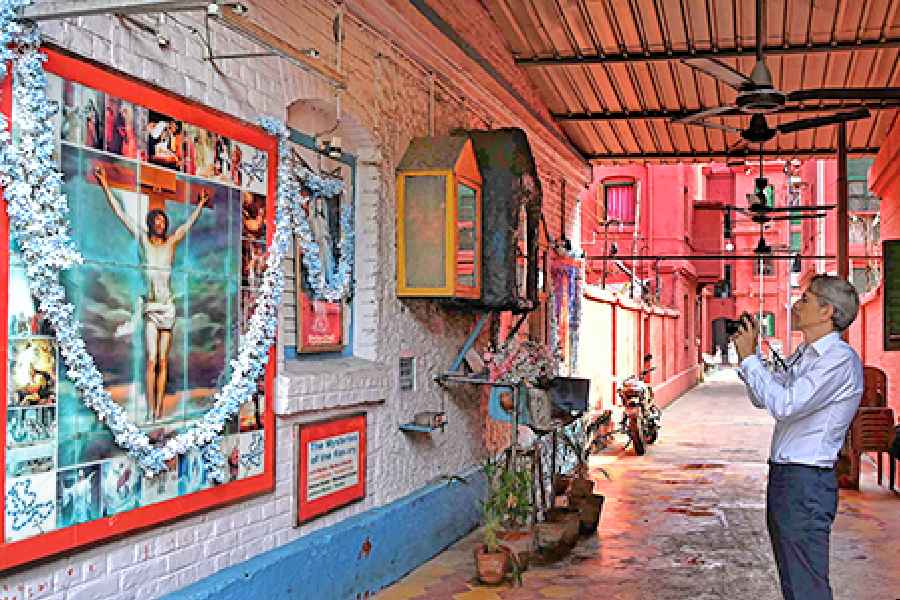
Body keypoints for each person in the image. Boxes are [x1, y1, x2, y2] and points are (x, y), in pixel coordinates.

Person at [732, 274, 863, 600]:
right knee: (794, 577)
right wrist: (752, 360)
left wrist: (750, 360)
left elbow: (784, 405)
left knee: (806, 583)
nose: (796, 304)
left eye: (806, 299)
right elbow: (763, 396)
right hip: (789, 477)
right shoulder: (807, 354)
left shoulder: (838, 361)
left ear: (826, 312)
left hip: (806, 480)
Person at [95, 165, 209, 421]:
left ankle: (158, 410)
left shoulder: (171, 243)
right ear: (150, 223)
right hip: (150, 307)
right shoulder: (144, 241)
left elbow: (187, 226)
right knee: (151, 360)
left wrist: (200, 205)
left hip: (167, 308)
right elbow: (121, 214)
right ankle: (150, 410)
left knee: (164, 362)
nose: (160, 223)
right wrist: (105, 184)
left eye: (163, 221)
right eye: (156, 220)